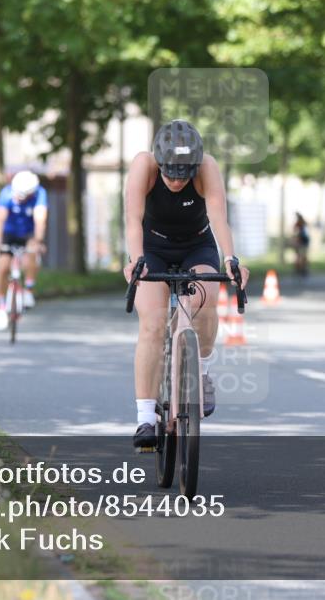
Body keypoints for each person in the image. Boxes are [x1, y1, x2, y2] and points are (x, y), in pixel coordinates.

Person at [123, 119, 250, 449]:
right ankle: (145, 419)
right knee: (152, 323)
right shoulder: (143, 166)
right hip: (153, 246)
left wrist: (232, 260)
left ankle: (203, 372)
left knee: (207, 299)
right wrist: (136, 261)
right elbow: (132, 220)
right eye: (171, 174)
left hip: (197, 245)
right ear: (159, 162)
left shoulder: (207, 167)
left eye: (184, 174)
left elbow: (218, 216)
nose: (177, 181)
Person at [0, 170, 47, 331]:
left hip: (28, 233)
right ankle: (1, 306)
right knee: (2, 268)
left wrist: (38, 241)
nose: (18, 199)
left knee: (32, 254)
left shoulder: (39, 194)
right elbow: (0, 218)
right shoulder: (6, 193)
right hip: (9, 233)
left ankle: (28, 289)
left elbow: (40, 219)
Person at [292, 212, 310, 277]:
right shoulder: (301, 224)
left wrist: (295, 241)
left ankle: (302, 269)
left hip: (302, 242)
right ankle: (301, 269)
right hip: (302, 243)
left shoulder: (301, 224)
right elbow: (295, 234)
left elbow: (296, 234)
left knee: (301, 256)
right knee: (300, 256)